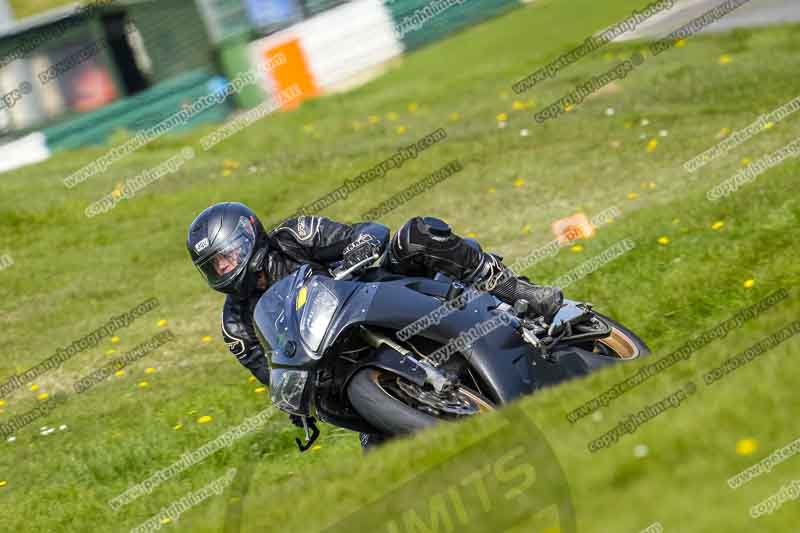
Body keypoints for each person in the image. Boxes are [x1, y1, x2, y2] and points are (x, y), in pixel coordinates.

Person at [186, 202, 563, 449]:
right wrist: (290, 398)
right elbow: (269, 372)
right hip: (334, 366)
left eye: (226, 257)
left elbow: (364, 232)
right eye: (214, 267)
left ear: (249, 237)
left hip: (372, 294)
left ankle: (518, 290)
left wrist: (361, 247)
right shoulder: (235, 325)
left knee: (417, 235)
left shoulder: (295, 237)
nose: (224, 270)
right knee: (381, 462)